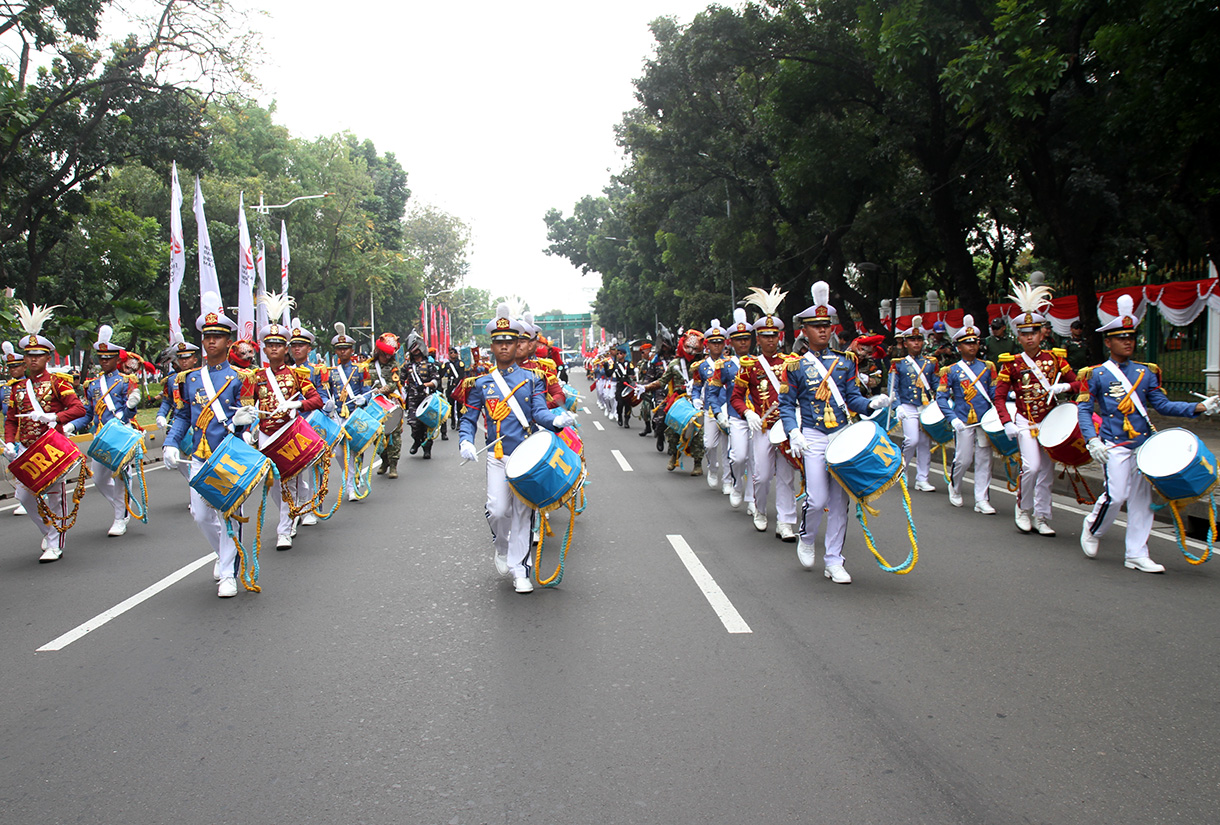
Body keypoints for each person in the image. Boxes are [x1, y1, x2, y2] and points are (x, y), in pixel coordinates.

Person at [1078, 295, 1220, 571]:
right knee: (1116, 496)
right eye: (1121, 338)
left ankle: (1136, 553)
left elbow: (1163, 405)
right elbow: (1083, 410)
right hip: (1114, 444)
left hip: (1143, 446)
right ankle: (1092, 528)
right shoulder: (1094, 374)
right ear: (1108, 342)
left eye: (1131, 336)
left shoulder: (1146, 372)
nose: (1128, 342)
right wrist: (1092, 440)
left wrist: (1200, 407)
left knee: (1142, 501)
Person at [458, 304, 576, 594]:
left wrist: (557, 420)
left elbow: (539, 413)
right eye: (499, 342)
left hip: (526, 457)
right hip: (498, 459)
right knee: (498, 511)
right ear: (492, 347)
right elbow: (469, 418)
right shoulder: (479, 383)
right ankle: (501, 547)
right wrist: (464, 440)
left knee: (524, 515)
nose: (504, 347)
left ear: (516, 344)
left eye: (509, 342)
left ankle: (520, 570)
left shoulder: (532, 379)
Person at [779, 282, 890, 583]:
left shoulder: (845, 362)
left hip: (841, 436)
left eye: (826, 326)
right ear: (804, 331)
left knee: (840, 502)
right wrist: (794, 433)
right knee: (816, 499)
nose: (823, 332)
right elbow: (787, 405)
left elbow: (852, 398)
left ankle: (833, 560)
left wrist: (871, 403)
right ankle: (806, 536)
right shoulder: (794, 367)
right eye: (816, 327)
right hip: (813, 436)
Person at [162, 293, 259, 597]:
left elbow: (250, 417)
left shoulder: (242, 377)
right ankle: (223, 551)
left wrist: (249, 424)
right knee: (200, 514)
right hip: (200, 456)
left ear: (228, 341)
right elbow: (182, 416)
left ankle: (229, 572)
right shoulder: (188, 379)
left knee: (228, 513)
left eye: (217, 337)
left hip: (228, 454)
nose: (211, 342)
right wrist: (170, 442)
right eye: (207, 337)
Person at [992, 280, 1081, 536]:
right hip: (1025, 422)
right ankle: (1023, 509)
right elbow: (999, 397)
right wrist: (1006, 421)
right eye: (1024, 333)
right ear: (1018, 336)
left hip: (1050, 422)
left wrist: (1064, 388)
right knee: (1030, 467)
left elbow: (1077, 382)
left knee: (1046, 471)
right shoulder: (1011, 364)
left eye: (1034, 332)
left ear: (1042, 333)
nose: (1029, 337)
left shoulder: (1056, 359)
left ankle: (1042, 516)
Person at [3, 305, 87, 562]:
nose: (32, 360)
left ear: (47, 357)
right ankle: (48, 530)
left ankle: (55, 542)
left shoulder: (58, 383)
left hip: (51, 447)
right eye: (29, 356)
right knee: (24, 497)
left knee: (54, 497)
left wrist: (55, 417)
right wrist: (9, 442)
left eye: (38, 356)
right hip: (27, 450)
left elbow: (78, 408)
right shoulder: (18, 388)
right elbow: (10, 420)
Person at [252, 304, 324, 549]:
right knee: (272, 484)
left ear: (285, 349)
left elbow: (317, 400)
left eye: (279, 344)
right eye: (270, 344)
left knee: (288, 481)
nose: (274, 348)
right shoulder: (255, 377)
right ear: (263, 348)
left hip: (289, 432)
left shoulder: (298, 374)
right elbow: (244, 403)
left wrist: (297, 404)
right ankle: (295, 508)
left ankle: (284, 528)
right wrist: (245, 420)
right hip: (264, 435)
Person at [732, 286, 799, 540]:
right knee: (760, 476)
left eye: (774, 336)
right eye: (765, 336)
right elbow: (736, 397)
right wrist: (747, 413)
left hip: (786, 427)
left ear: (779, 337)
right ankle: (760, 510)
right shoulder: (749, 366)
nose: (770, 340)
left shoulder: (791, 362)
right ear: (757, 339)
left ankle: (786, 521)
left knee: (786, 476)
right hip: (763, 427)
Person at [66, 325, 142, 537]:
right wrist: (72, 425)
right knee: (99, 479)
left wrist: (130, 407)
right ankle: (122, 507)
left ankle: (119, 517)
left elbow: (130, 412)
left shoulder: (126, 381)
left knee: (119, 478)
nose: (104, 361)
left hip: (120, 437)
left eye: (108, 358)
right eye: (101, 357)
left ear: (116, 359)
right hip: (101, 437)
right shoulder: (92, 385)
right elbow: (88, 413)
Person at [935, 315, 997, 514]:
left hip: (984, 421)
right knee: (963, 459)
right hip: (963, 420)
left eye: (975, 343)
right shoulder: (950, 370)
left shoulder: (988, 368)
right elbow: (941, 397)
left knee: (985, 460)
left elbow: (995, 394)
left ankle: (981, 498)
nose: (972, 346)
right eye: (967, 343)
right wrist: (952, 419)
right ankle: (955, 487)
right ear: (959, 347)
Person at [641, 326, 706, 475]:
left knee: (697, 432)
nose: (691, 351)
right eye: (689, 347)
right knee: (672, 430)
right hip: (678, 401)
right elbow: (662, 382)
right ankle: (674, 456)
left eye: (694, 348)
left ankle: (697, 464)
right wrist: (645, 388)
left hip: (696, 401)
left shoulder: (703, 364)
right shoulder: (674, 364)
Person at [287, 318, 332, 527]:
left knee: (317, 469)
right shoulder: (284, 372)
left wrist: (327, 406)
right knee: (293, 472)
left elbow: (321, 397)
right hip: (288, 425)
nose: (297, 349)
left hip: (310, 422)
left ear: (309, 348)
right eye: (293, 345)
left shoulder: (316, 370)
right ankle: (296, 508)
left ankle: (314, 507)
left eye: (301, 345)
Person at [889, 315, 939, 492]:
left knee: (925, 443)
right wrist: (898, 406)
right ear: (906, 343)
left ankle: (922, 478)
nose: (916, 343)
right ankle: (902, 471)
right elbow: (892, 388)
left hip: (925, 406)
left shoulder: (931, 363)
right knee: (911, 440)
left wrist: (940, 402)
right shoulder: (898, 364)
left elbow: (936, 385)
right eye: (912, 340)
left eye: (919, 339)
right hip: (908, 405)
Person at [329, 323, 369, 498]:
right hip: (337, 417)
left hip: (354, 415)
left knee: (352, 453)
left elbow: (368, 391)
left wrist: (364, 399)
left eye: (346, 348)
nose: (343, 352)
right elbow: (326, 392)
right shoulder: (330, 372)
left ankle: (351, 487)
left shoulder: (360, 369)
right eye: (339, 349)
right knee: (339, 453)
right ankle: (351, 478)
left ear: (352, 350)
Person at [720, 309, 754, 508]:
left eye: (746, 339)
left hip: (759, 416)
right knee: (739, 457)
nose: (743, 343)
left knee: (756, 461)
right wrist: (717, 412)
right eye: (738, 339)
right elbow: (715, 390)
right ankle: (736, 484)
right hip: (736, 415)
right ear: (731, 342)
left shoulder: (759, 363)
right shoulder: (725, 365)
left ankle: (752, 499)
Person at [156, 340, 201, 485]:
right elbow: (167, 401)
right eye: (181, 358)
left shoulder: (202, 377)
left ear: (195, 359)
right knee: (181, 461)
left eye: (188, 358)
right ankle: (192, 486)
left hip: (199, 424)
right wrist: (161, 415)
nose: (184, 361)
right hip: (179, 423)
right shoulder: (171, 381)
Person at [695, 319, 728, 489]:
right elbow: (697, 386)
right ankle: (713, 468)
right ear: (708, 345)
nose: (717, 346)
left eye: (720, 342)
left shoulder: (730, 364)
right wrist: (695, 399)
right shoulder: (701, 367)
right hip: (710, 409)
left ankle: (729, 479)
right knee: (709, 444)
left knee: (728, 448)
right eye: (713, 343)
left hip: (728, 409)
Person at [2, 342, 29, 516]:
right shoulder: (4, 389)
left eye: (16, 366)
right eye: (10, 367)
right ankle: (23, 499)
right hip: (12, 434)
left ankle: (29, 499)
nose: (13, 370)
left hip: (30, 432)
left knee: (29, 467)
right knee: (17, 468)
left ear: (24, 366)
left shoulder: (30, 385)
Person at [401, 333, 436, 462]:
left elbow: (436, 380)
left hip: (426, 399)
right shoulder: (407, 366)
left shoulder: (429, 365)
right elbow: (400, 380)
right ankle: (416, 441)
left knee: (427, 425)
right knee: (414, 424)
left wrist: (426, 385)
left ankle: (427, 449)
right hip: (412, 399)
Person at [440, 346, 464, 440]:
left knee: (459, 406)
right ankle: (453, 421)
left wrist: (456, 383)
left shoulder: (460, 363)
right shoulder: (447, 364)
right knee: (450, 405)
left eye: (454, 353)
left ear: (457, 354)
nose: (452, 354)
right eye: (451, 353)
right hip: (450, 386)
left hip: (458, 386)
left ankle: (459, 422)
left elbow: (461, 375)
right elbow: (442, 373)